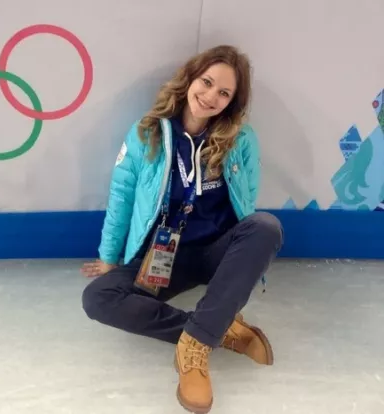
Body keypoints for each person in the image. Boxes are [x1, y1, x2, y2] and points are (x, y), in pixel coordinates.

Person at [80, 45, 283, 414]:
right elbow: (121, 197)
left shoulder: (241, 139)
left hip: (217, 253)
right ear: (190, 78)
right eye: (206, 82)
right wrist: (109, 257)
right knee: (98, 298)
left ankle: (194, 348)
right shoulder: (146, 133)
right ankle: (215, 329)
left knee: (266, 226)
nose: (211, 96)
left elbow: (248, 201)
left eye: (224, 93)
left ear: (232, 102)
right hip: (161, 258)